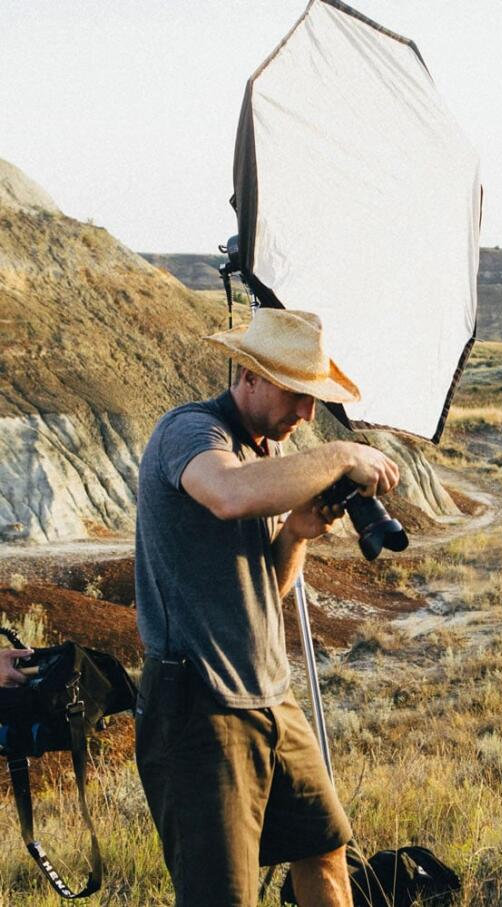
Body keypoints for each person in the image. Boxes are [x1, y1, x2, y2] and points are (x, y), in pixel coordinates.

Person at [134, 307, 401, 907]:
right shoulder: (192, 432)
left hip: (270, 695)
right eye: (297, 394)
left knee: (326, 847)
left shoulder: (265, 459)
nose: (307, 413)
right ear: (249, 376)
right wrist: (337, 455)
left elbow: (265, 591)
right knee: (224, 896)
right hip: (201, 707)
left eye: (315, 400)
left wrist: (298, 533)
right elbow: (228, 496)